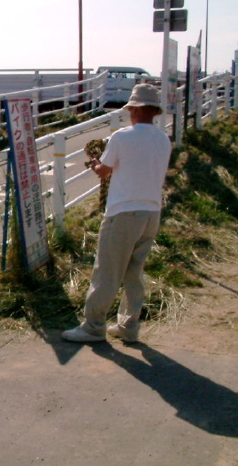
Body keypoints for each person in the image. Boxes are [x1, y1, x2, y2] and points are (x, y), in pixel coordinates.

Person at [62, 83, 172, 343]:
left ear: (132, 110)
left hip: (123, 211)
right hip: (151, 212)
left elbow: (104, 171)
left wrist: (95, 162)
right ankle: (129, 326)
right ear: (155, 111)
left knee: (107, 271)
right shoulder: (163, 139)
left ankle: (93, 326)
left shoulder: (122, 137)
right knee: (134, 272)